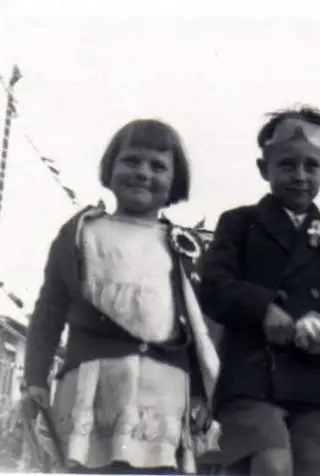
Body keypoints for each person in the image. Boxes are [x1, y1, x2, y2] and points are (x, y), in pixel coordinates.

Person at [21, 119, 220, 474]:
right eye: (132, 161)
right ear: (110, 167)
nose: (143, 172)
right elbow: (50, 309)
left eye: (157, 166)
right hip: (92, 387)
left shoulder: (185, 247)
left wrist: (202, 395)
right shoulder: (81, 233)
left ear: (175, 181)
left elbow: (196, 328)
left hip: (163, 392)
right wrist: (35, 377)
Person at [199, 106, 320, 476]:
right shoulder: (240, 223)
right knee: (271, 467)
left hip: (316, 384)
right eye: (287, 165)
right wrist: (262, 309)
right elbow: (213, 286)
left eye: (311, 166)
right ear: (264, 168)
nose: (300, 175)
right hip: (252, 378)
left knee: (314, 469)